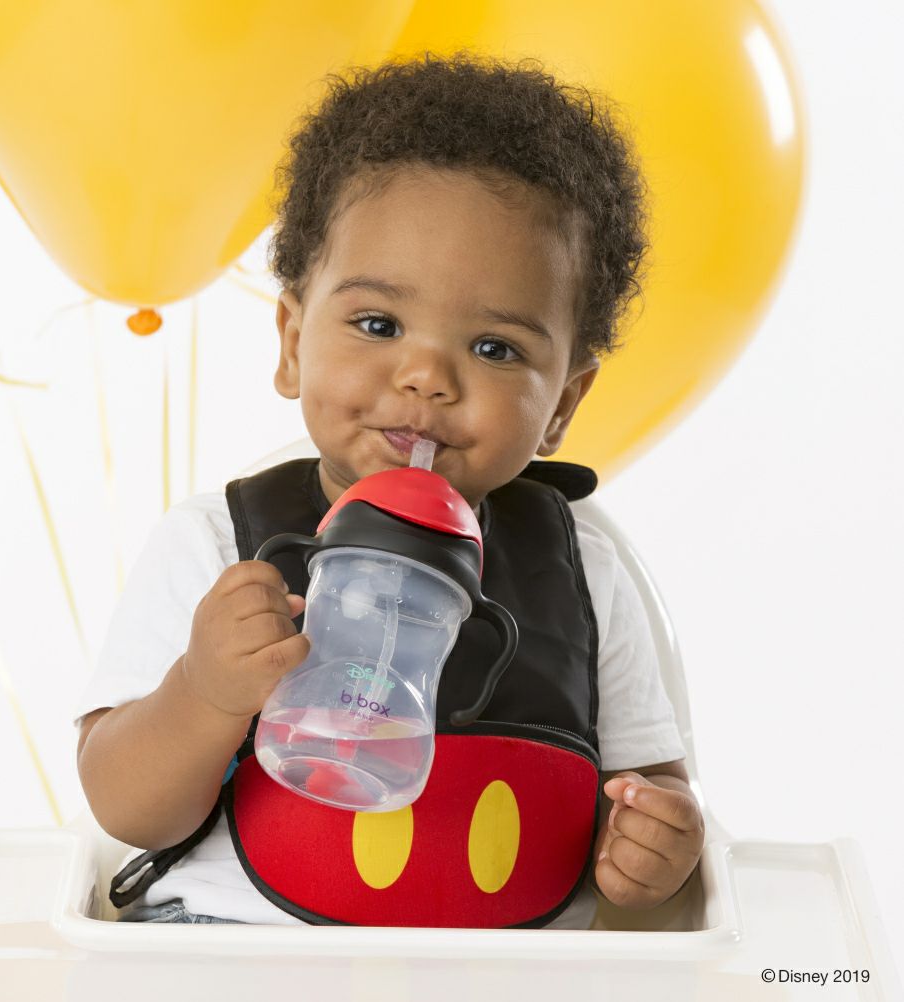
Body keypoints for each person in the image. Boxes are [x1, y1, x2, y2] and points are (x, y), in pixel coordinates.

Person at [75, 53, 704, 928]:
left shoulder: (584, 572)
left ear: (563, 403)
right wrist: (204, 693)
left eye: (494, 348)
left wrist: (655, 842)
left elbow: (649, 788)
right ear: (293, 341)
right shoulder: (217, 543)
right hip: (234, 955)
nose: (426, 376)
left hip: (511, 976)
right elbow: (123, 810)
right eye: (378, 324)